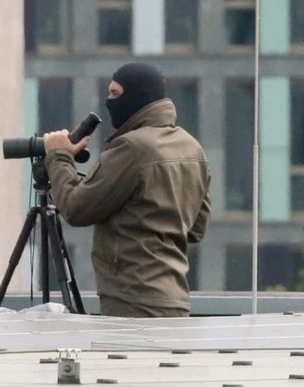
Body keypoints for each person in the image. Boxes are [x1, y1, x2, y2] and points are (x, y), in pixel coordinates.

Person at [41, 63, 211, 318]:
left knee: (128, 358)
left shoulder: (131, 148)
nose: (108, 101)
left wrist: (58, 157)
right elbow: (196, 229)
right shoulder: (192, 148)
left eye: (114, 93)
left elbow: (76, 209)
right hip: (175, 297)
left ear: (138, 96)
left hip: (132, 298)